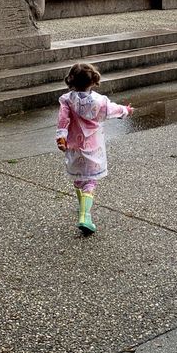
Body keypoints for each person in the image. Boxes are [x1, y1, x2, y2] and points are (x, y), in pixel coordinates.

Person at [56, 62, 132, 235]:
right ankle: (85, 215)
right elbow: (114, 110)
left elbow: (62, 120)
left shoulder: (67, 100)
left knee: (78, 178)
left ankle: (81, 205)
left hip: (74, 146)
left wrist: (61, 137)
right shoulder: (100, 101)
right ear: (92, 81)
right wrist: (126, 110)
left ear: (70, 81)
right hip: (92, 147)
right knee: (90, 181)